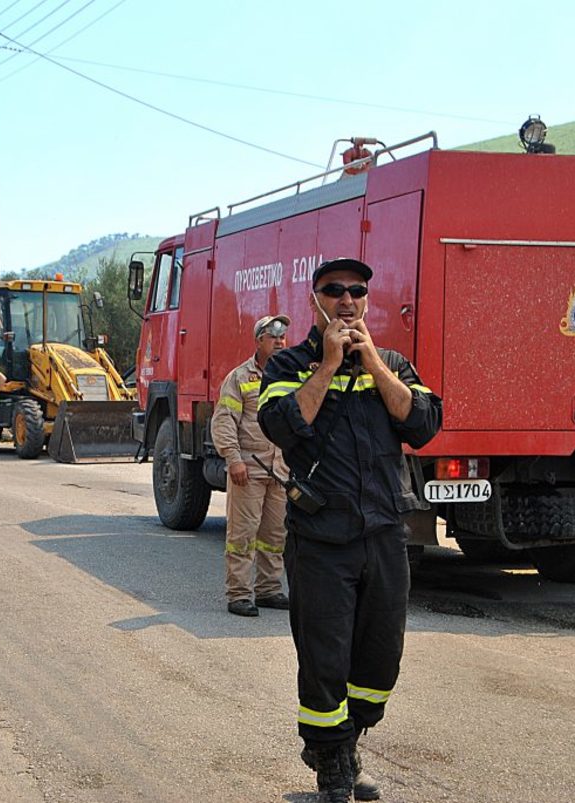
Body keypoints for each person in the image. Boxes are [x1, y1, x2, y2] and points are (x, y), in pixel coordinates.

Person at [258, 258, 442, 803]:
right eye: (333, 290)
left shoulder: (391, 363)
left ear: (366, 299)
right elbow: (281, 425)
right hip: (320, 539)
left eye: (356, 291)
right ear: (315, 300)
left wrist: (372, 365)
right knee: (325, 659)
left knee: (379, 661)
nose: (346, 300)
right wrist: (329, 365)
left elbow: (423, 424)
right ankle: (334, 766)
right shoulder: (289, 364)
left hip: (385, 534)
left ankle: (343, 739)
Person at [210, 314, 291, 617]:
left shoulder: (291, 377)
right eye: (274, 338)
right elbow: (224, 422)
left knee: (274, 537)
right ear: (259, 341)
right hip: (249, 469)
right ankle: (239, 594)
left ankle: (269, 590)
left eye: (283, 338)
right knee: (243, 535)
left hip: (280, 471)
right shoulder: (240, 378)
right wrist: (233, 459)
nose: (280, 343)